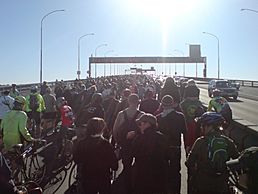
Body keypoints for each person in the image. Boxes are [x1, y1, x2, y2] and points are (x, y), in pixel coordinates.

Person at [185, 112, 239, 194]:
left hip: (203, 183)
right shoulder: (227, 141)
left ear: (210, 126)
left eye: (203, 125)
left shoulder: (200, 142)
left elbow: (189, 162)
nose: (201, 127)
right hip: (221, 183)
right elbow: (237, 159)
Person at [73, 117, 118, 194]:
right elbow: (115, 166)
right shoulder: (106, 144)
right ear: (102, 129)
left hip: (87, 177)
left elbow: (77, 160)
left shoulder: (82, 143)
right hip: (103, 177)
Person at [113, 94, 144, 194]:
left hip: (125, 143)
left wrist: (118, 141)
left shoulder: (121, 114)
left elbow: (115, 129)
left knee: (126, 164)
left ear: (129, 101)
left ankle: (126, 185)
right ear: (138, 102)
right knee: (138, 164)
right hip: (137, 143)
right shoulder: (141, 114)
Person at [156, 95, 187, 194]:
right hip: (175, 147)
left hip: (162, 148)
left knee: (162, 170)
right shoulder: (180, 116)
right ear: (173, 104)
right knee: (175, 172)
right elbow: (184, 131)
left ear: (162, 104)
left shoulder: (158, 118)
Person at [132, 113, 169, 194]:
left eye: (140, 123)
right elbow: (167, 155)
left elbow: (134, 152)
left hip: (143, 173)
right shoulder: (161, 137)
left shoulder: (141, 138)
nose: (139, 126)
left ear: (148, 124)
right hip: (159, 173)